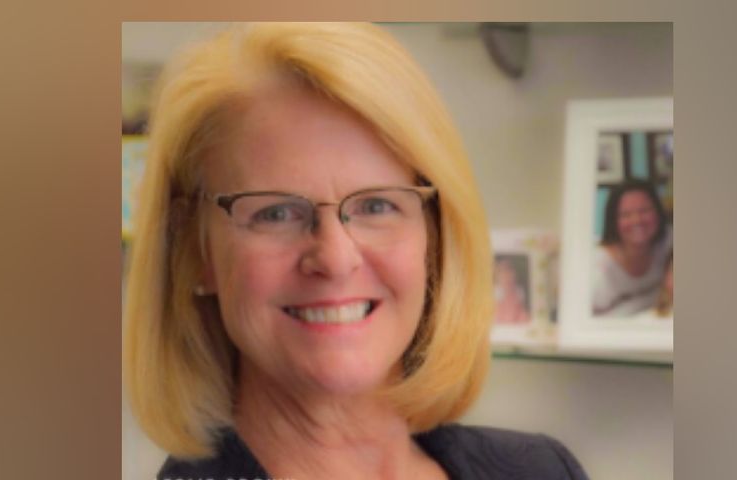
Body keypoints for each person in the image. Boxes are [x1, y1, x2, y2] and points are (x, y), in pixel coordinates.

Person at [124, 23, 588, 480]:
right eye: (276, 213)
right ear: (193, 251)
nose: (335, 259)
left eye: (376, 206)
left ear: (434, 236)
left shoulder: (542, 471)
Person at [592, 179, 672, 317]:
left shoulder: (669, 241)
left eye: (644, 211)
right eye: (625, 214)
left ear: (658, 212)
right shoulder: (596, 268)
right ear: (613, 221)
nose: (637, 220)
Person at [493, 256, 531, 324]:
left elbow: (521, 310)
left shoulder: (519, 291)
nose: (507, 276)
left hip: (517, 321)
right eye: (502, 272)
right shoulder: (496, 293)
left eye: (510, 271)